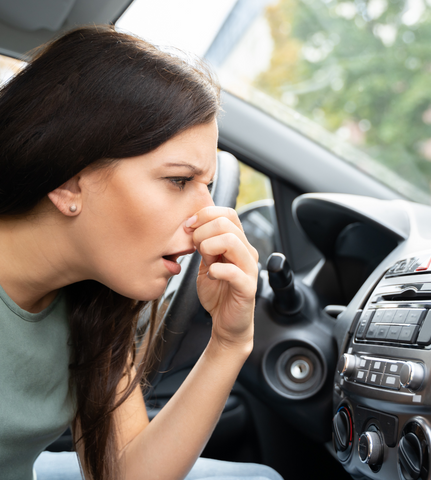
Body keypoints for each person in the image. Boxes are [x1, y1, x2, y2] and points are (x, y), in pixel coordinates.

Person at [0, 25, 283, 480]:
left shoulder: (93, 302)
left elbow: (126, 474)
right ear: (70, 179)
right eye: (178, 181)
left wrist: (228, 344)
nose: (205, 218)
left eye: (207, 187)